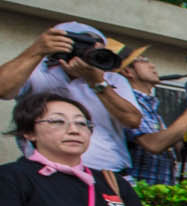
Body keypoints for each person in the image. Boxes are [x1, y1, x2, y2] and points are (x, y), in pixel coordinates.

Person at [0, 92, 164, 206]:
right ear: (29, 132)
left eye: (81, 123)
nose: (74, 130)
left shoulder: (111, 181)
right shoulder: (11, 176)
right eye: (57, 121)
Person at [0, 22, 142, 173]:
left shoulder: (112, 79)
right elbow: (3, 90)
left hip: (109, 172)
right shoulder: (37, 71)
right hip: (48, 172)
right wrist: (36, 50)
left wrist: (97, 82)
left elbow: (133, 120)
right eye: (83, 47)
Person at [117, 48, 187, 185]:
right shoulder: (128, 103)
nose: (152, 65)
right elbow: (153, 144)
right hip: (137, 190)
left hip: (155, 191)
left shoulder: (149, 106)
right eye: (143, 61)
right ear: (127, 71)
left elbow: (173, 148)